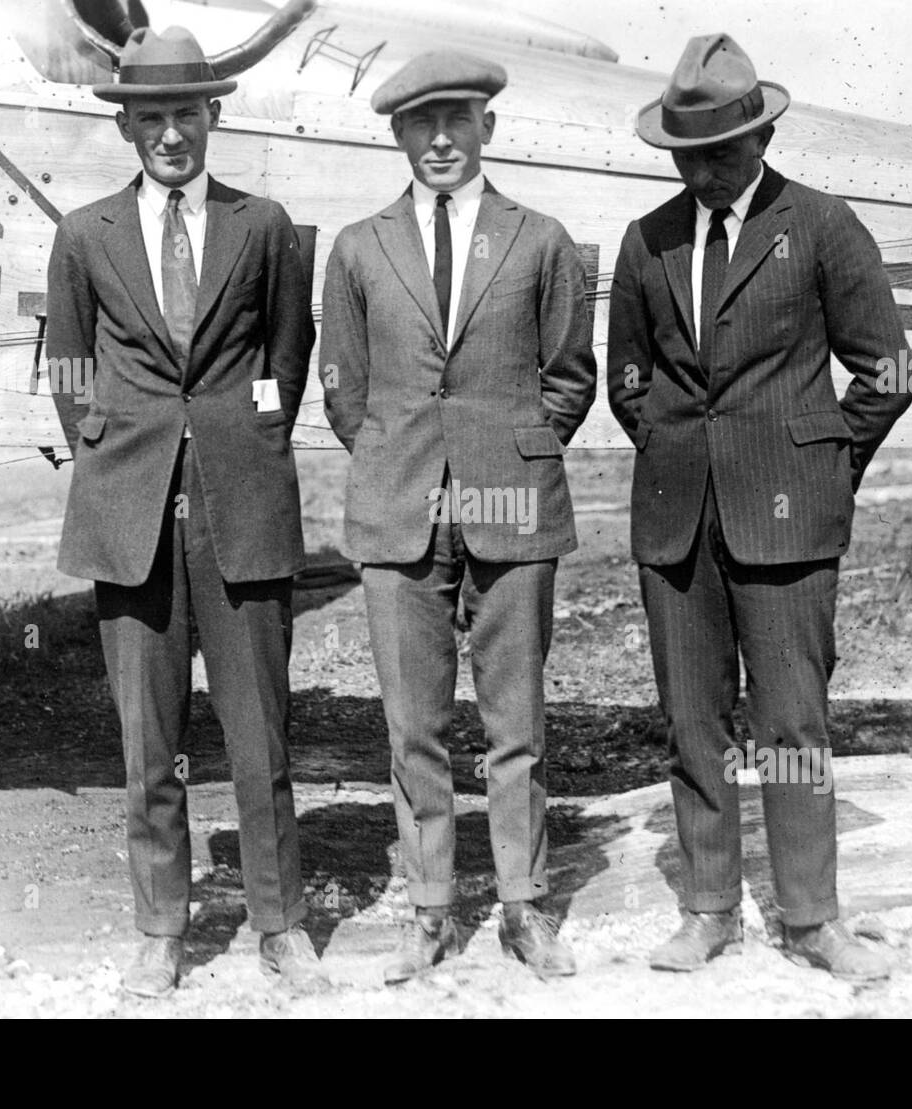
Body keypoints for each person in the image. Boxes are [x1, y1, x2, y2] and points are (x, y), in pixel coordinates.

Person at [608, 33, 912, 981]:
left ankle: (811, 916)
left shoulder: (821, 225)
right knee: (693, 723)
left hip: (789, 523)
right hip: (677, 526)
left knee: (790, 729)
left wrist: (823, 461)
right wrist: (673, 450)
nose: (705, 170)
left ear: (759, 136)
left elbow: (889, 370)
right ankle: (706, 909)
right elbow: (629, 377)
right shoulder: (648, 239)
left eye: (722, 151)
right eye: (688, 153)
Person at [46, 26, 318, 997]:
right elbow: (70, 367)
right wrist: (118, 450)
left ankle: (280, 922)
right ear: (127, 127)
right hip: (129, 512)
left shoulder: (266, 226)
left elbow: (287, 357)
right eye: (151, 116)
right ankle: (162, 927)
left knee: (261, 735)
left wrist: (237, 444)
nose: (170, 133)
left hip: (239, 511)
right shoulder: (86, 234)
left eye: (186, 113)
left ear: (215, 116)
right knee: (148, 739)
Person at [320, 50, 597, 984]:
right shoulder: (359, 247)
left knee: (516, 720)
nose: (439, 139)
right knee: (414, 727)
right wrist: (401, 458)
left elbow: (569, 376)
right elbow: (345, 391)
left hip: (510, 504)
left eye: (457, 120)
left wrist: (508, 449)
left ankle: (524, 907)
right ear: (397, 134)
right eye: (418, 124)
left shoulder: (542, 238)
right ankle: (430, 909)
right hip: (399, 503)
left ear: (488, 127)